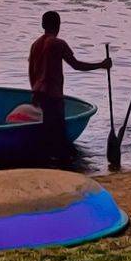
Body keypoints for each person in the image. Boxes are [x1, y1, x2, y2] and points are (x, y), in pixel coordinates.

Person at [28, 10, 111, 162]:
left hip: (39, 93)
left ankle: (50, 159)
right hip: (53, 95)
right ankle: (61, 161)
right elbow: (76, 65)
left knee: (49, 131)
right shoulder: (58, 43)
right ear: (58, 25)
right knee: (59, 133)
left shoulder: (35, 45)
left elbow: (31, 72)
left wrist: (34, 91)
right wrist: (101, 65)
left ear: (43, 25)